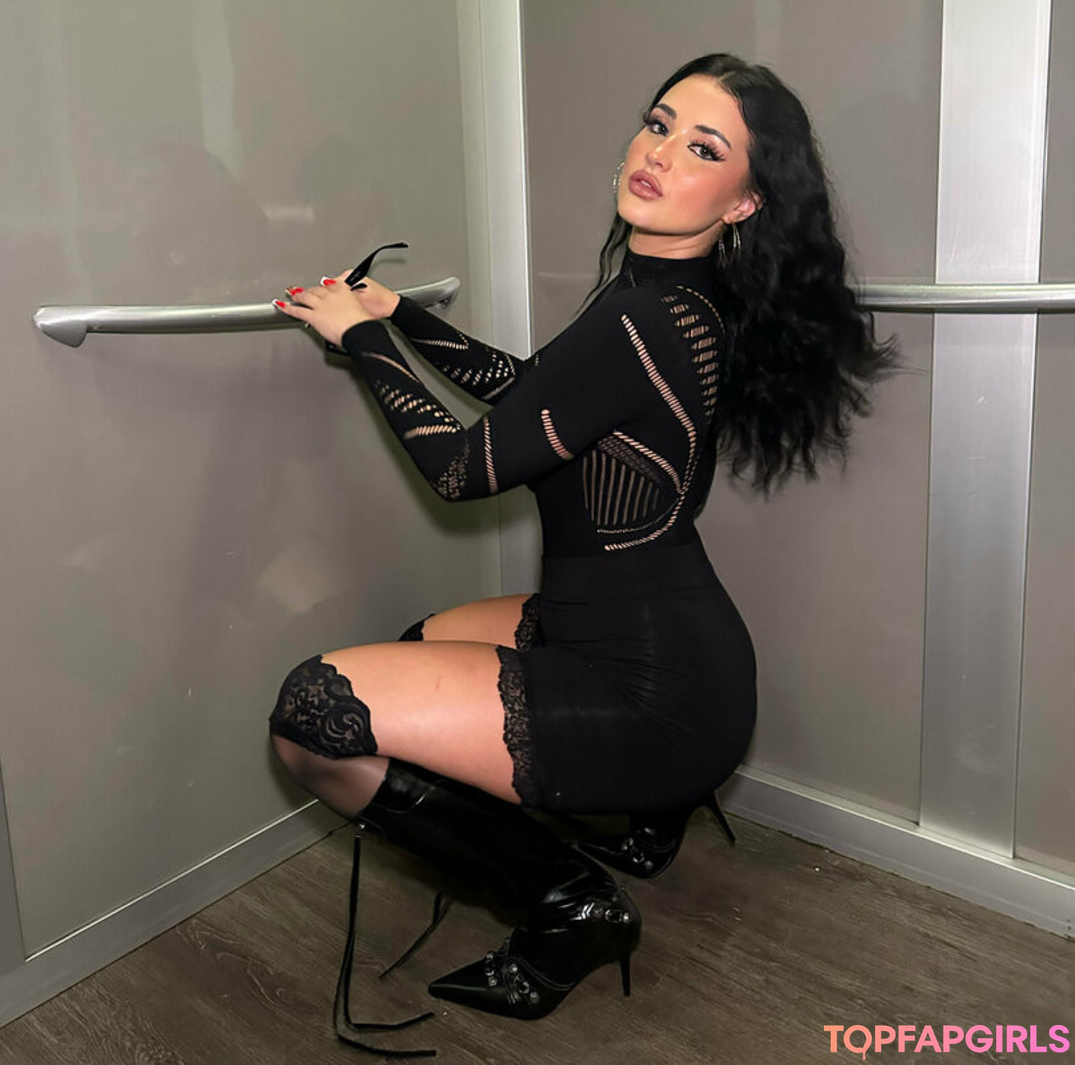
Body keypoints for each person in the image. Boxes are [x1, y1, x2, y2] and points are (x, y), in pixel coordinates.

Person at [267, 52, 899, 1053]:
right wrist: (404, 317)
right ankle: (645, 814)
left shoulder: (644, 312)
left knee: (314, 717)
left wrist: (361, 341)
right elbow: (540, 396)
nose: (660, 152)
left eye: (704, 149)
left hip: (652, 685)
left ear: (745, 201)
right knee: (415, 649)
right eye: (659, 122)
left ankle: (568, 901)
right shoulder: (675, 294)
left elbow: (463, 468)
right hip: (657, 637)